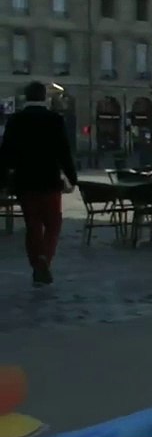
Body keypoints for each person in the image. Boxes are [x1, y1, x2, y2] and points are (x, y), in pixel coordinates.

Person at [0, 81, 78, 286]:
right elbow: (64, 151)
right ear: (44, 97)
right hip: (49, 180)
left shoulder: (15, 120)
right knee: (53, 223)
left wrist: (3, 181)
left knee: (32, 224)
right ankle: (44, 259)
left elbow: (6, 153)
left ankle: (36, 262)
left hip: (24, 182)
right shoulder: (55, 119)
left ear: (26, 97)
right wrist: (72, 176)